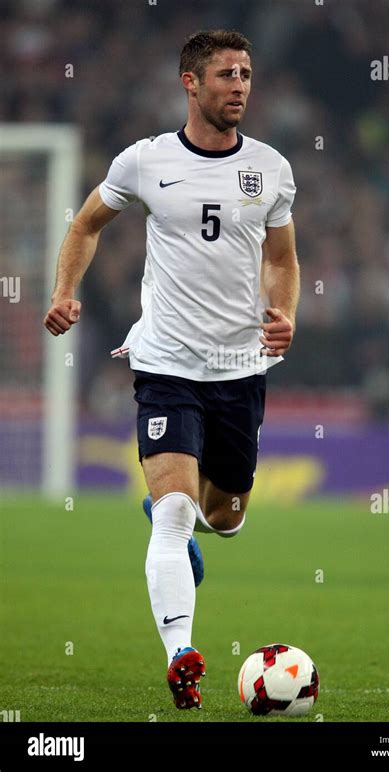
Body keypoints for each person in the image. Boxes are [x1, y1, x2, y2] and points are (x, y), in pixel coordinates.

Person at [44, 29, 299, 710]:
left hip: (241, 370)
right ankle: (180, 651)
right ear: (190, 82)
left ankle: (178, 514)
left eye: (245, 73)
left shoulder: (271, 168)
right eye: (225, 74)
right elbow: (86, 225)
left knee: (226, 516)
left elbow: (281, 258)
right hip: (166, 362)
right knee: (178, 514)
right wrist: (64, 290)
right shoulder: (145, 161)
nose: (239, 85)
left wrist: (285, 311)